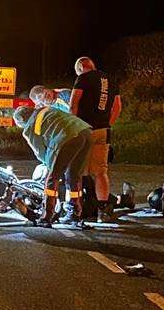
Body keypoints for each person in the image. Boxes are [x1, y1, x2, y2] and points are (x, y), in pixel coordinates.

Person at [12, 104, 92, 227]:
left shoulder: (29, 127)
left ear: (22, 122)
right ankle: (74, 213)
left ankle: (46, 217)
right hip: (85, 132)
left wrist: (49, 164)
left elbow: (40, 152)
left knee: (51, 178)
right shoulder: (47, 109)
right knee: (74, 176)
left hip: (66, 137)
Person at [69, 57, 122, 221]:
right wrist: (107, 123)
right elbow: (117, 106)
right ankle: (103, 210)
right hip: (103, 131)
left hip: (84, 130)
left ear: (81, 67)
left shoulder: (83, 79)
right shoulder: (111, 79)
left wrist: (74, 128)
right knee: (100, 172)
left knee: (77, 172)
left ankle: (75, 209)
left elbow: (73, 105)